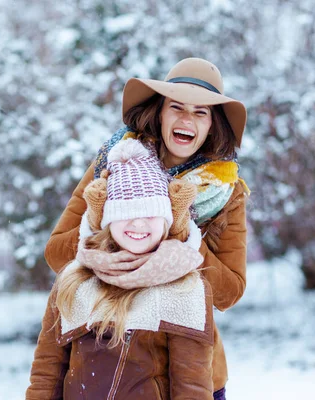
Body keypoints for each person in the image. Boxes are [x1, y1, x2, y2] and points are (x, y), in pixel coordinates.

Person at [44, 57, 248, 398]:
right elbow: (56, 253)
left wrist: (183, 245)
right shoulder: (113, 164)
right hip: (106, 364)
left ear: (213, 124)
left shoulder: (227, 190)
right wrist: (101, 244)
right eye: (177, 107)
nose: (187, 119)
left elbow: (230, 292)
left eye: (201, 112)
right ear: (160, 112)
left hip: (191, 372)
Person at [27, 139, 215, 399]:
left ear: (166, 221)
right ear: (108, 219)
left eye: (150, 214)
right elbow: (46, 374)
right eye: (126, 212)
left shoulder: (185, 289)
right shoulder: (74, 281)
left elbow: (192, 386)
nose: (138, 223)